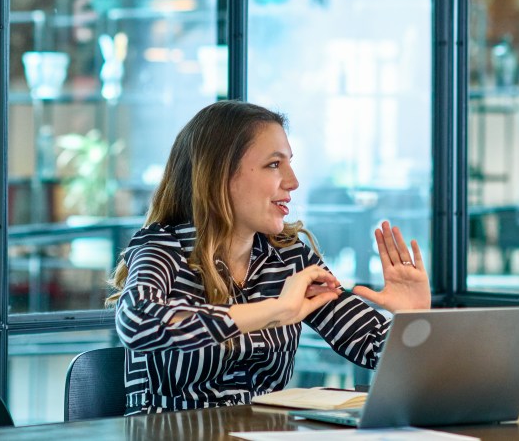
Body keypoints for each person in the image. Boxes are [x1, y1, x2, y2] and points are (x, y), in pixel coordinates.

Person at [109, 100, 430, 414]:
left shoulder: (289, 258)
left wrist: (411, 321)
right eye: (274, 164)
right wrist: (275, 310)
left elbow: (372, 347)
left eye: (289, 163)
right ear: (219, 174)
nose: (293, 182)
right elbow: (139, 322)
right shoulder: (163, 248)